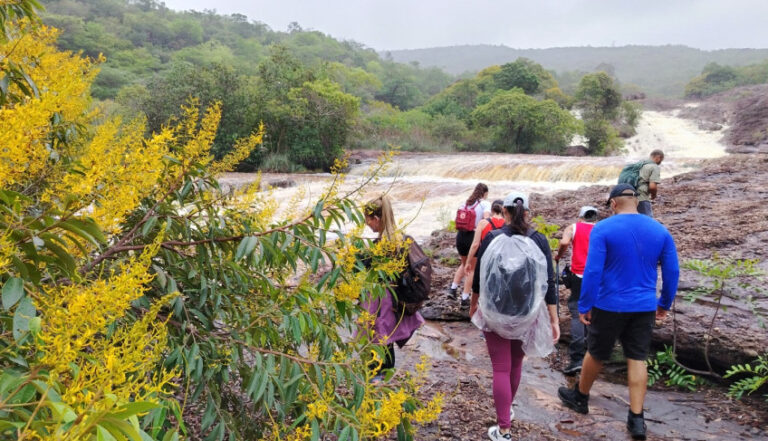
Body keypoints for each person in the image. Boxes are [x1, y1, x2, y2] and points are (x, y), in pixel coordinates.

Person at [557, 184, 679, 441]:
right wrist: (664, 304)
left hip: (609, 304)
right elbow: (672, 272)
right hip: (644, 306)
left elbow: (592, 271)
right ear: (636, 201)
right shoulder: (659, 230)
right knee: (637, 358)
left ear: (613, 204)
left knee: (597, 352)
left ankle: (580, 397)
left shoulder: (604, 228)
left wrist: (585, 304)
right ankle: (636, 419)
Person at [470, 193, 560, 441]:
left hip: (494, 312)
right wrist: (554, 319)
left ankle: (504, 430)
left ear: (505, 212)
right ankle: (507, 409)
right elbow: (549, 282)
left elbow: (480, 276)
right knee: (516, 364)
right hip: (526, 313)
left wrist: (474, 305)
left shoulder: (492, 237)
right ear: (527, 213)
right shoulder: (539, 239)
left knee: (500, 368)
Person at [362, 195, 424, 378]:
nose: (367, 225)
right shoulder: (401, 240)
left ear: (376, 219)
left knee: (377, 344)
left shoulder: (381, 246)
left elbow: (367, 272)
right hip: (396, 301)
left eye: (368, 220)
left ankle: (376, 383)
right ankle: (385, 380)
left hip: (381, 302)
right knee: (386, 343)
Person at [554, 205, 599, 375]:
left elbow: (565, 242)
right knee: (593, 311)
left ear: (580, 217)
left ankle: (577, 359)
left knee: (576, 312)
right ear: (595, 218)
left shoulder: (573, 227)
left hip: (578, 274)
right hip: (597, 276)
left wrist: (559, 255)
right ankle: (593, 356)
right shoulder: (601, 229)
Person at [450, 183, 491, 308]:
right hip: (472, 237)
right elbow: (486, 220)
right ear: (485, 193)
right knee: (472, 269)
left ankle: (452, 288)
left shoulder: (466, 203)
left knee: (464, 264)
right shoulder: (485, 203)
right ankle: (465, 297)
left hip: (461, 236)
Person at [636, 150, 664, 217]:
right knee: (647, 219)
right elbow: (652, 187)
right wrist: (653, 195)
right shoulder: (654, 167)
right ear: (658, 157)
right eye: (661, 160)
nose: (660, 162)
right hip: (641, 196)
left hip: (627, 194)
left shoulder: (639, 163)